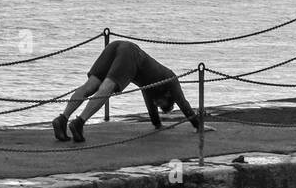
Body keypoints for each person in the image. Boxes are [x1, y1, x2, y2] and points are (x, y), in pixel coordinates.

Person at [53, 39, 200, 143]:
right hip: (131, 54)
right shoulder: (169, 79)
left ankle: (62, 119)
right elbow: (182, 101)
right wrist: (197, 125)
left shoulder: (150, 89)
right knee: (107, 87)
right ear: (168, 96)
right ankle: (79, 122)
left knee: (90, 86)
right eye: (162, 105)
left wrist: (158, 125)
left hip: (116, 45)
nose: (157, 104)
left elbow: (151, 108)